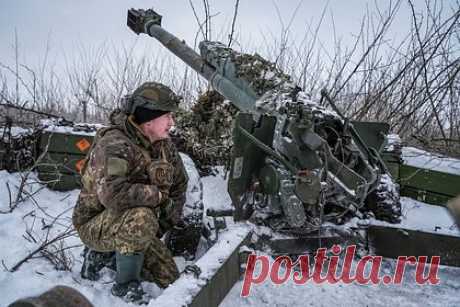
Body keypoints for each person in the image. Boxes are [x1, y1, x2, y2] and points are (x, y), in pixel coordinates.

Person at [72, 82, 189, 303]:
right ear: (149, 119)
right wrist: (158, 197)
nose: (172, 123)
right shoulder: (114, 145)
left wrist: (165, 221)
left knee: (171, 279)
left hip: (137, 224)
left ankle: (111, 254)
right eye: (168, 116)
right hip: (94, 223)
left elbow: (180, 184)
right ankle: (124, 285)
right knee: (142, 217)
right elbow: (113, 195)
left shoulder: (164, 145)